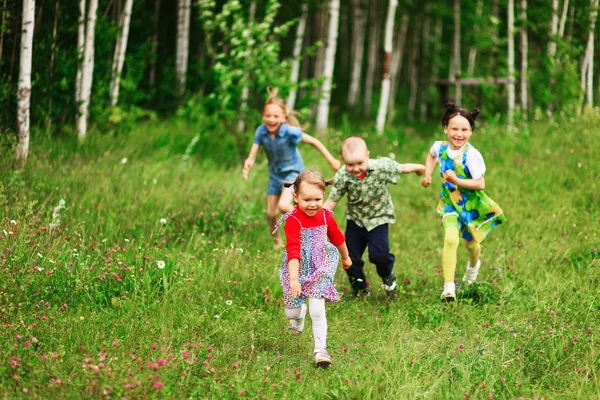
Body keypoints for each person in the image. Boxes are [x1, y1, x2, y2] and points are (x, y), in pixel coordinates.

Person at [421, 102, 507, 301]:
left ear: (471, 131)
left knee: (470, 244)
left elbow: (480, 184)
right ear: (445, 128)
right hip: (449, 204)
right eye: (454, 129)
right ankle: (449, 288)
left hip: (470, 207)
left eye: (464, 129)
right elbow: (431, 155)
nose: (459, 134)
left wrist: (456, 180)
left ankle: (473, 266)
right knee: (451, 238)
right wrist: (428, 174)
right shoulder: (439, 147)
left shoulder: (471, 155)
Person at [323, 137, 426, 299]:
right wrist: (319, 217)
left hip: (378, 219)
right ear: (343, 160)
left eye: (360, 163)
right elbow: (332, 200)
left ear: (367, 156)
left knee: (379, 255)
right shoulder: (343, 175)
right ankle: (360, 289)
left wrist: (420, 168)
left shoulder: (381, 167)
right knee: (350, 257)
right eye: (350, 164)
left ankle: (387, 278)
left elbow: (401, 168)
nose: (356, 168)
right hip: (356, 220)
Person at [242, 88, 341, 248]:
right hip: (275, 176)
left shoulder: (289, 131)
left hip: (293, 174)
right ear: (263, 116)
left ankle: (310, 228)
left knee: (283, 206)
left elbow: (314, 141)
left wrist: (331, 159)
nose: (271, 119)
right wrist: (249, 162)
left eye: (276, 116)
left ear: (283, 117)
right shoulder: (261, 132)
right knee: (270, 214)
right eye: (268, 116)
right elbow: (253, 151)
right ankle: (277, 242)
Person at [274, 170, 351, 367]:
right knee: (292, 312)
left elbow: (337, 237)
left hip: (320, 265)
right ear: (295, 197)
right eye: (306, 199)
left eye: (317, 199)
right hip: (296, 268)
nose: (312, 204)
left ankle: (320, 351)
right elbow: (293, 250)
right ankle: (299, 315)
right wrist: (293, 279)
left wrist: (346, 256)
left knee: (318, 311)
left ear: (323, 196)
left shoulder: (325, 216)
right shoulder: (293, 219)